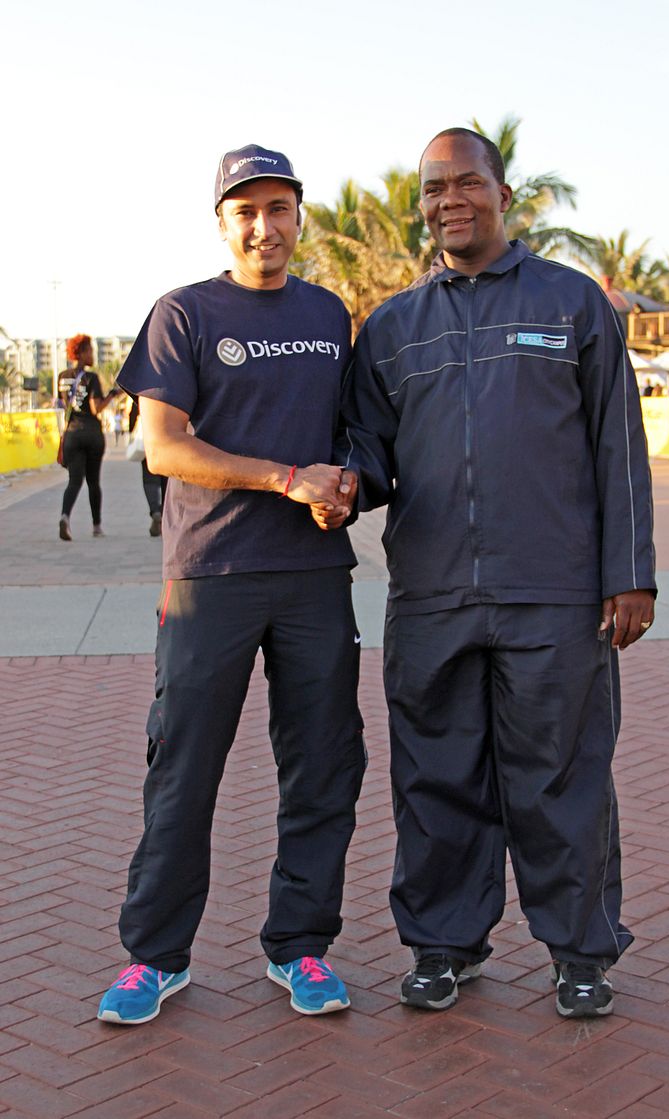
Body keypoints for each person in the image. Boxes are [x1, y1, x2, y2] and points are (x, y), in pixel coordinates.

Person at [339, 128, 656, 1020]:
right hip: (433, 593)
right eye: (434, 189)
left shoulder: (571, 304)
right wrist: (344, 482)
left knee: (564, 777)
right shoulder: (394, 328)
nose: (449, 201)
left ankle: (582, 953)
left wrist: (629, 573)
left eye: (465, 183)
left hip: (555, 593)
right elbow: (369, 449)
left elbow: (616, 445)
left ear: (503, 193)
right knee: (436, 778)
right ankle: (445, 945)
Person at [97, 143, 365, 1027]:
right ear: (222, 222)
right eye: (245, 210)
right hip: (209, 575)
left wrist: (343, 484)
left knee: (322, 765)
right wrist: (288, 478)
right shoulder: (184, 312)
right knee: (184, 766)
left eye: (278, 207)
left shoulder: (331, 315)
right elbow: (163, 445)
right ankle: (155, 957)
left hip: (314, 578)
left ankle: (302, 945)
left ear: (299, 216)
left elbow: (350, 434)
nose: (264, 226)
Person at [58, 334, 121, 540]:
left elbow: (64, 405)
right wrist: (112, 394)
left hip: (71, 433)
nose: (92, 354)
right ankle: (96, 526)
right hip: (91, 434)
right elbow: (96, 408)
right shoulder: (90, 377)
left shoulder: (62, 376)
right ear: (82, 353)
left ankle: (65, 517)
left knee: (74, 480)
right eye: (90, 350)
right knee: (93, 481)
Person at [128, 395, 166, 536]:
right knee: (167, 480)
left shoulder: (145, 386)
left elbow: (133, 414)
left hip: (148, 438)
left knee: (149, 479)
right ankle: (164, 514)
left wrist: (131, 431)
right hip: (171, 438)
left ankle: (155, 511)